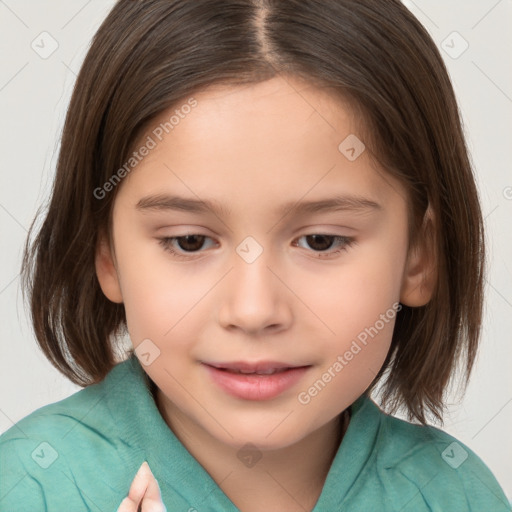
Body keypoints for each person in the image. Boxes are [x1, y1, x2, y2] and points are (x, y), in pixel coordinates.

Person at [0, 1, 510, 511]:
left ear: (417, 256)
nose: (253, 310)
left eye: (321, 241)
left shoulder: (454, 494)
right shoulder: (30, 485)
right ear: (106, 254)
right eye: (190, 241)